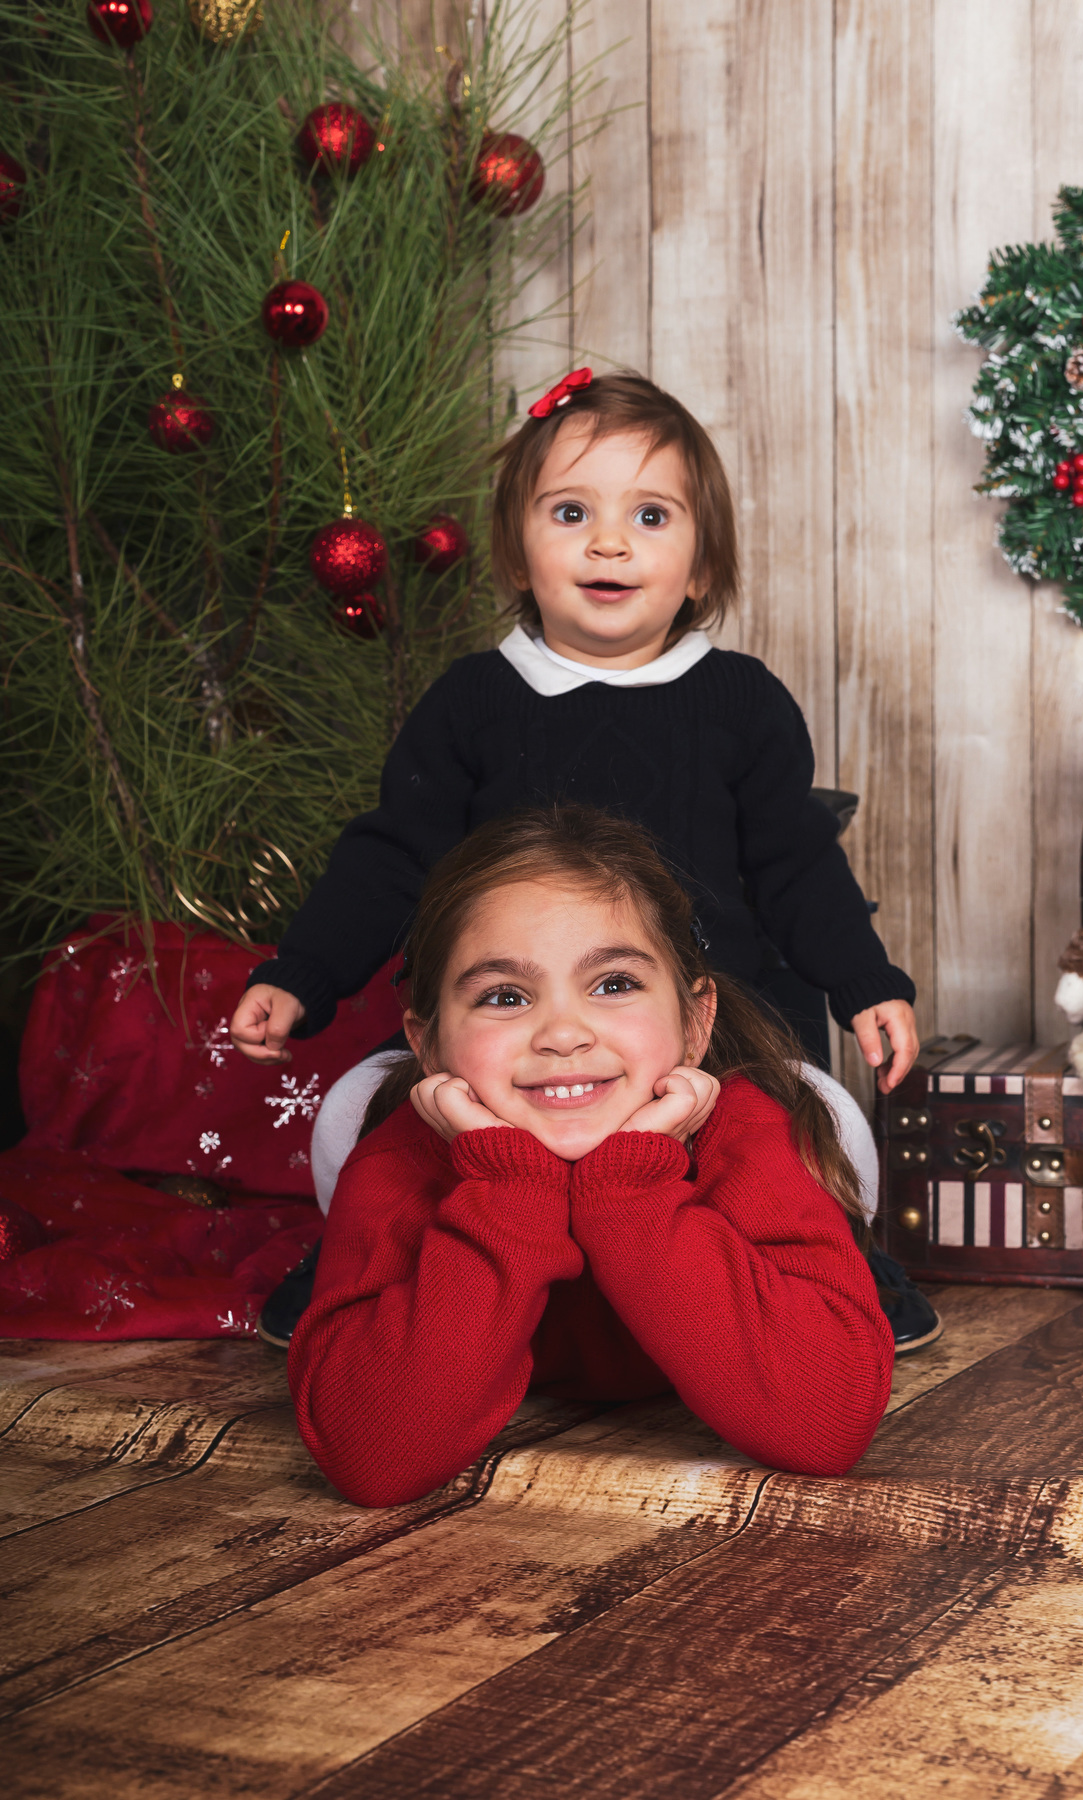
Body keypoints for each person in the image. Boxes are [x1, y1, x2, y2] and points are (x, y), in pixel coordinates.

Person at [234, 368, 934, 1351]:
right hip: (518, 1032)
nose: (610, 542)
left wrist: (866, 982)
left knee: (817, 1126)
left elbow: (795, 864)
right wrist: (301, 976)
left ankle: (835, 1257)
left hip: (702, 1028)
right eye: (572, 512)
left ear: (700, 569)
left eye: (651, 516)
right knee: (363, 1114)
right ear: (520, 557)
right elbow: (395, 859)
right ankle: (360, 1261)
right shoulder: (473, 702)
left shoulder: (740, 704)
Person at [288, 807, 895, 1507]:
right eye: (504, 996)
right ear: (426, 1044)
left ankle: (871, 1257)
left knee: (825, 1123)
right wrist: (508, 1183)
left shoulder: (749, 1135)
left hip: (759, 1230)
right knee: (345, 1116)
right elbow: (373, 1459)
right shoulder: (397, 1161)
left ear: (696, 1022)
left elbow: (827, 1426)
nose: (564, 1033)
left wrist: (632, 1189)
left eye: (613, 984)